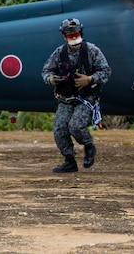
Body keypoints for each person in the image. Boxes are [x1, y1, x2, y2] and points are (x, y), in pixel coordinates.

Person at [42, 18, 112, 173]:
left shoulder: (92, 51)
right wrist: (52, 79)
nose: (73, 37)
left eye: (76, 33)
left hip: (85, 98)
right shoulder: (60, 53)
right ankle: (69, 160)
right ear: (64, 36)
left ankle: (89, 146)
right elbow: (46, 71)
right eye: (69, 35)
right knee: (59, 129)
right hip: (65, 98)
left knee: (76, 126)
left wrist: (90, 79)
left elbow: (106, 71)